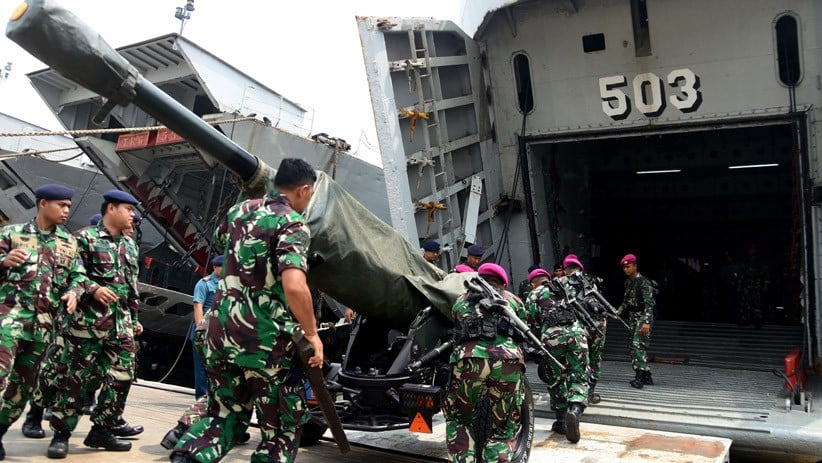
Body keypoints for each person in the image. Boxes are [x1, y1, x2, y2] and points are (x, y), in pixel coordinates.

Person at [171, 158, 322, 463]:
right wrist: (311, 333)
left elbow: (221, 241)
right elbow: (294, 286)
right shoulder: (293, 223)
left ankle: (187, 457)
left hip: (219, 334)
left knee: (223, 417)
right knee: (280, 428)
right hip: (263, 343)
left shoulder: (238, 211)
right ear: (304, 190)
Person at [46, 189, 142, 458]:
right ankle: (62, 433)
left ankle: (103, 428)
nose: (133, 215)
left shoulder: (130, 245)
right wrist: (93, 289)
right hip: (87, 324)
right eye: (129, 209)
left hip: (120, 325)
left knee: (123, 376)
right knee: (74, 379)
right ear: (111, 209)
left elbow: (132, 288)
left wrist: (134, 320)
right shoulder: (84, 239)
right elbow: (71, 275)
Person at [0, 184, 87, 459]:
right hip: (8, 320)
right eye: (61, 205)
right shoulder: (11, 234)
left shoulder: (69, 242)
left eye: (69, 206)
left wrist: (74, 292)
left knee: (23, 390)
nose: (66, 211)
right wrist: (3, 262)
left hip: (42, 329)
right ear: (43, 203)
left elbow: (79, 276)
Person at [443, 263, 526, 462]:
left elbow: (456, 323)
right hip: (507, 361)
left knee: (460, 419)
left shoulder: (461, 301)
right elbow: (523, 328)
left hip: (469, 360)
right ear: (503, 284)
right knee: (504, 426)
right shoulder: (513, 301)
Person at [525, 267, 588, 443]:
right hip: (577, 333)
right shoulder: (563, 286)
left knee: (556, 378)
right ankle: (575, 409)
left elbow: (530, 321)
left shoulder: (534, 293)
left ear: (532, 283)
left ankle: (561, 421)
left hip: (552, 337)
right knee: (580, 375)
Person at [562, 254, 605, 404]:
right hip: (598, 325)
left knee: (577, 360)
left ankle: (577, 392)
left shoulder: (562, 283)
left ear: (565, 269)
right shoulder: (591, 281)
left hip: (577, 327)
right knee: (595, 358)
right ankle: (590, 391)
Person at [617, 254, 656, 389]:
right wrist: (620, 310)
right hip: (633, 316)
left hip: (643, 316)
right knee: (633, 346)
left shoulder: (644, 282)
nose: (626, 270)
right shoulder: (628, 282)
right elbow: (627, 300)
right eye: (624, 268)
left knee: (637, 345)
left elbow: (649, 304)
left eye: (628, 267)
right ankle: (647, 375)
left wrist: (646, 322)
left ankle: (639, 376)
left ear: (635, 266)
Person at [191, 255, 223, 399]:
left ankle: (215, 398)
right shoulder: (204, 284)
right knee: (202, 368)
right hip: (205, 329)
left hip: (220, 331)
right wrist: (200, 330)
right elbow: (198, 307)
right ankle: (201, 398)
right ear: (215, 267)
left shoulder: (227, 284)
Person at [735, 243, 769, 327]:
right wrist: (739, 284)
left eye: (753, 248)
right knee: (745, 302)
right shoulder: (745, 261)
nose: (752, 250)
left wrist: (766, 284)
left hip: (757, 283)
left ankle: (757, 320)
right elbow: (741, 273)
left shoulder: (760, 261)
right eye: (750, 248)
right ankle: (744, 319)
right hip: (747, 283)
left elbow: (765, 273)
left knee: (757, 302)